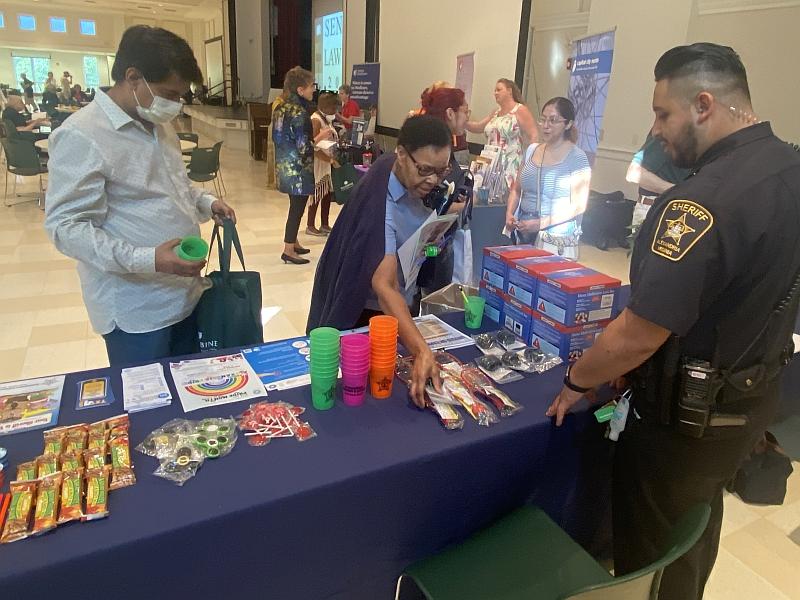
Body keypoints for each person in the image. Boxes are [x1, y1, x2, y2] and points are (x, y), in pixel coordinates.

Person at [545, 43, 800, 600]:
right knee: (696, 524)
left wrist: (576, 380)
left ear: (703, 104)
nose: (656, 130)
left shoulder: (698, 203)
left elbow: (638, 334)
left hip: (682, 422)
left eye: (663, 113)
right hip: (750, 404)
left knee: (654, 549)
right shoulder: (790, 166)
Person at [44, 25, 236, 366]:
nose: (176, 105)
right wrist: (150, 259)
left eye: (180, 96)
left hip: (184, 296)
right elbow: (66, 228)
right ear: (133, 77)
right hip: (137, 310)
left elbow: (173, 186)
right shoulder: (82, 135)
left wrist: (206, 202)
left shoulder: (159, 125)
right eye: (169, 93)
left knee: (189, 402)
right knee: (149, 409)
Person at [307, 115, 453, 405]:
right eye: (425, 169)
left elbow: (418, 255)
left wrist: (434, 247)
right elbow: (384, 285)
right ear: (400, 154)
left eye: (441, 171)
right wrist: (422, 351)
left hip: (400, 308)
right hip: (368, 315)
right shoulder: (379, 196)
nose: (434, 180)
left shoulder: (411, 180)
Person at [504, 97, 590, 258]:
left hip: (555, 236)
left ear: (568, 124)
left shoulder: (577, 157)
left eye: (553, 120)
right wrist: (509, 213)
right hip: (524, 229)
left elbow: (579, 205)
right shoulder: (532, 150)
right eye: (543, 119)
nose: (546, 126)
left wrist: (539, 224)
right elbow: (517, 189)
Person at [415, 86, 472, 294]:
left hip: (436, 244)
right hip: (432, 245)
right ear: (450, 113)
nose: (467, 118)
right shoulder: (439, 152)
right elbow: (433, 205)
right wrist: (464, 205)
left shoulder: (440, 145)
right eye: (466, 111)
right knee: (433, 300)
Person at [272, 66, 332, 265]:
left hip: (284, 164)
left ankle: (294, 241)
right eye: (310, 86)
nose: (313, 90)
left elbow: (277, 136)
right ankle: (289, 249)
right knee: (297, 207)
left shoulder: (280, 107)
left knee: (294, 206)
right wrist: (320, 138)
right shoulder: (300, 112)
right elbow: (303, 146)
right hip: (298, 169)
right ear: (300, 89)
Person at [466, 78, 537, 190]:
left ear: (509, 91)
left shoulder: (520, 110)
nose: (495, 93)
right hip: (490, 160)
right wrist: (462, 122)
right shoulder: (495, 112)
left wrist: (530, 160)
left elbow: (533, 134)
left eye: (499, 89)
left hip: (510, 162)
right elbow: (479, 127)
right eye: (495, 90)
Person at [626, 131, 691, 231]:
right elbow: (633, 174)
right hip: (654, 209)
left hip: (679, 210)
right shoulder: (667, 132)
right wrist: (678, 191)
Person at [306, 92, 340, 236]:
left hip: (326, 161)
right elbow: (313, 145)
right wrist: (329, 159)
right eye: (334, 108)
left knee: (326, 193)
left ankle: (324, 224)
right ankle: (310, 225)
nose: (336, 112)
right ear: (326, 107)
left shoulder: (326, 119)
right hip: (318, 162)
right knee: (317, 193)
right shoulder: (316, 120)